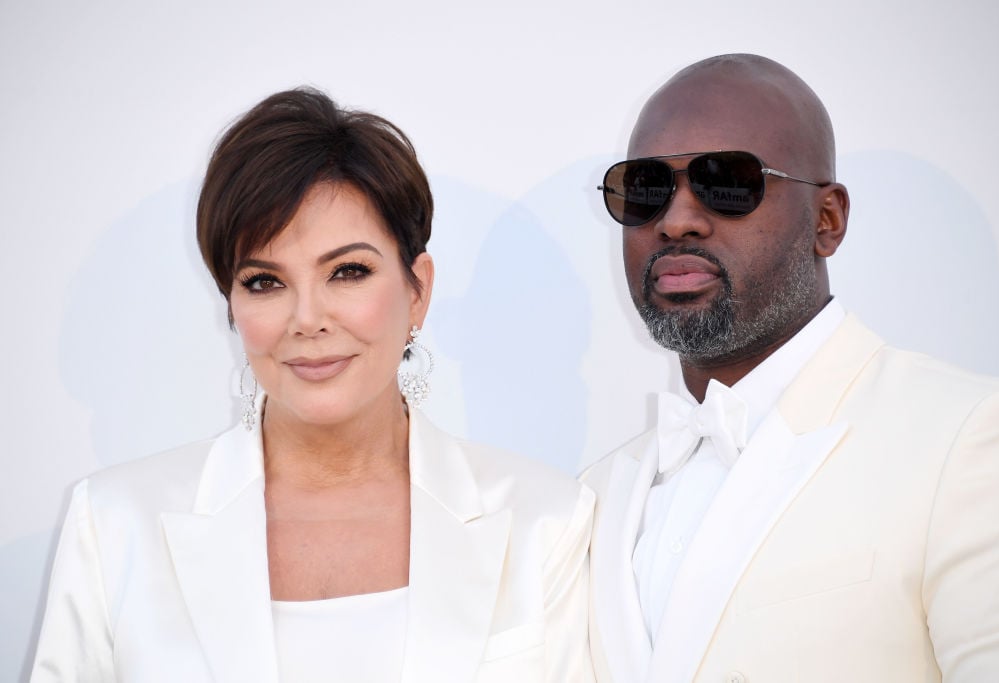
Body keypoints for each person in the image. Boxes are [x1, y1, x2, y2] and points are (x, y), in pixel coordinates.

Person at [31, 87, 595, 682]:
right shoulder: (116, 524)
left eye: (348, 271)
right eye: (264, 282)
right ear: (231, 305)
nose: (307, 318)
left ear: (417, 291)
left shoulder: (545, 522)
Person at [583, 54, 999, 683]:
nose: (676, 220)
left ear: (828, 220)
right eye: (645, 189)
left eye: (728, 182)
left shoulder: (969, 441)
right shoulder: (593, 499)